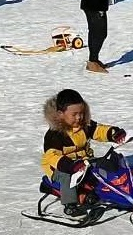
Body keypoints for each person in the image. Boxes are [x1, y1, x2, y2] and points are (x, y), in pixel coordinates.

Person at [41, 89, 128, 218]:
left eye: (81, 113)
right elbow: (52, 156)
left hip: (83, 161)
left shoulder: (84, 125)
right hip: (60, 167)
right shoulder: (54, 134)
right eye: (74, 114)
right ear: (60, 114)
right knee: (67, 177)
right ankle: (70, 205)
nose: (79, 117)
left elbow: (99, 130)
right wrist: (70, 166)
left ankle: (109, 192)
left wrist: (113, 133)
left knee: (100, 168)